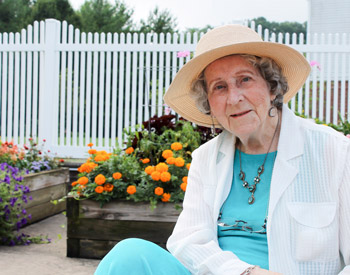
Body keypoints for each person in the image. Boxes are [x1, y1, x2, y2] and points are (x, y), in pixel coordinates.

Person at [95, 25, 350, 275]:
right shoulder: (206, 158)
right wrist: (246, 272)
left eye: (245, 80)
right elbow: (188, 241)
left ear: (272, 87)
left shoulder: (334, 152)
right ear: (209, 103)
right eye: (219, 87)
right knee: (128, 255)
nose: (234, 97)